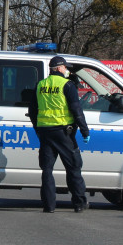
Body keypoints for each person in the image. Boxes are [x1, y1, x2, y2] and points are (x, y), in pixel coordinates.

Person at [33, 55, 90, 213]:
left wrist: (38, 129)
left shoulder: (40, 85)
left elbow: (33, 110)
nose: (66, 70)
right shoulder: (67, 85)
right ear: (59, 68)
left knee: (47, 170)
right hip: (64, 133)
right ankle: (79, 203)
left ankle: (49, 206)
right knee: (73, 167)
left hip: (45, 132)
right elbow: (76, 110)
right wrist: (84, 130)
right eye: (65, 67)